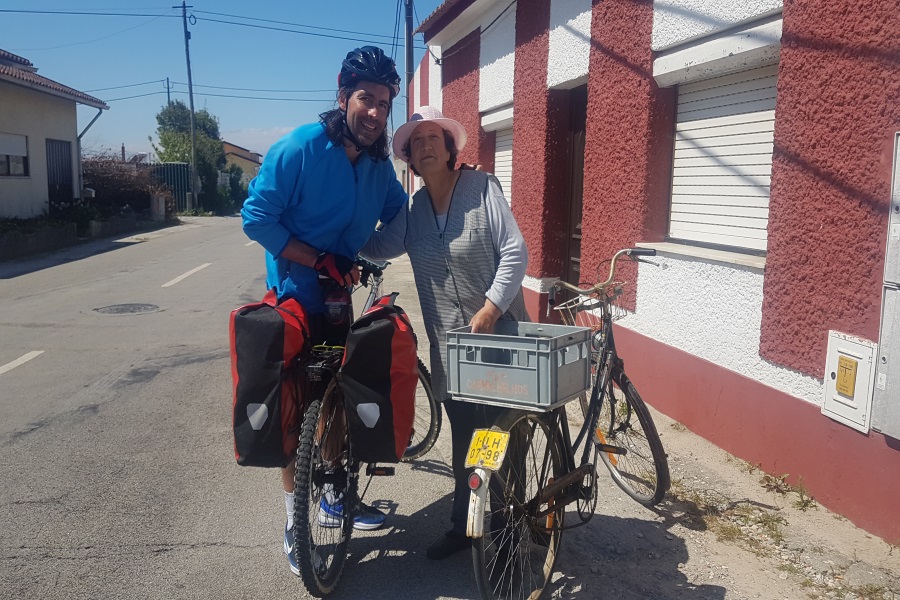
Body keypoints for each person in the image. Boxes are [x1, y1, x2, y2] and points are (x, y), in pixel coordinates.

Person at [241, 46, 405, 576]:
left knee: (337, 393)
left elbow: (405, 214)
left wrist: (456, 177)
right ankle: (295, 517)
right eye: (366, 98)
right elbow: (256, 219)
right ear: (343, 97)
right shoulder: (300, 148)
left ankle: (333, 493)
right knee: (295, 410)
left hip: (339, 298)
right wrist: (316, 258)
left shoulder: (381, 166)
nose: (375, 112)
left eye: (384, 102)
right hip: (295, 296)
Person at [360, 106, 529, 560]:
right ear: (410, 159)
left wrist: (492, 307)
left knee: (502, 434)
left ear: (450, 147)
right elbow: (376, 246)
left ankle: (514, 524)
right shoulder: (413, 211)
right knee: (464, 438)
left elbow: (515, 250)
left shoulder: (481, 187)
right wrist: (335, 224)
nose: (426, 146)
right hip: (450, 347)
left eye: (434, 137)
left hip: (498, 337)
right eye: (417, 142)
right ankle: (464, 526)